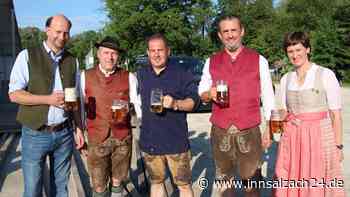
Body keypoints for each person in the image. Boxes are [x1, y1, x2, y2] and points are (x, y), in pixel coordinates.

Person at [198, 15, 275, 196]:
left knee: (252, 184)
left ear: (242, 32)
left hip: (249, 131)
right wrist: (210, 93)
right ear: (219, 35)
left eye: (234, 30)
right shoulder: (211, 61)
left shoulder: (259, 60)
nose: (230, 35)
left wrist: (269, 129)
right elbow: (201, 91)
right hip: (220, 131)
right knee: (225, 182)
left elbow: (269, 98)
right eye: (226, 31)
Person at [8, 15, 85, 197]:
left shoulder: (72, 61)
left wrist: (79, 128)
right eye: (58, 31)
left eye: (66, 32)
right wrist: (48, 99)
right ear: (47, 30)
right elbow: (14, 94)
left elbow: (75, 100)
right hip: (36, 133)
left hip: (64, 133)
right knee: (33, 189)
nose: (62, 36)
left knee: (61, 188)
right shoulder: (27, 56)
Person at [274, 32, 345, 197]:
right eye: (290, 51)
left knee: (317, 178)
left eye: (298, 50)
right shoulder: (286, 78)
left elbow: (336, 115)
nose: (295, 55)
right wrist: (275, 125)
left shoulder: (325, 74)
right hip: (292, 137)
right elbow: (283, 110)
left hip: (318, 136)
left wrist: (338, 146)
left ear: (308, 49)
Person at [136, 33, 200, 197]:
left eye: (160, 50)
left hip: (176, 142)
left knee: (184, 185)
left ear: (168, 51)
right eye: (152, 50)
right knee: (156, 183)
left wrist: (175, 104)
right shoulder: (141, 74)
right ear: (148, 52)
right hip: (150, 141)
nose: (156, 54)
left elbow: (193, 102)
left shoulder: (181, 73)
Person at [79, 36, 141, 197]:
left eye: (113, 53)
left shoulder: (129, 77)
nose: (110, 57)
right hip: (96, 137)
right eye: (106, 53)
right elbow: (79, 107)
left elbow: (138, 106)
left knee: (118, 180)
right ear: (98, 54)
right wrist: (78, 130)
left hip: (122, 138)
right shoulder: (85, 76)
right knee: (98, 185)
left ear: (118, 56)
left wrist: (132, 112)